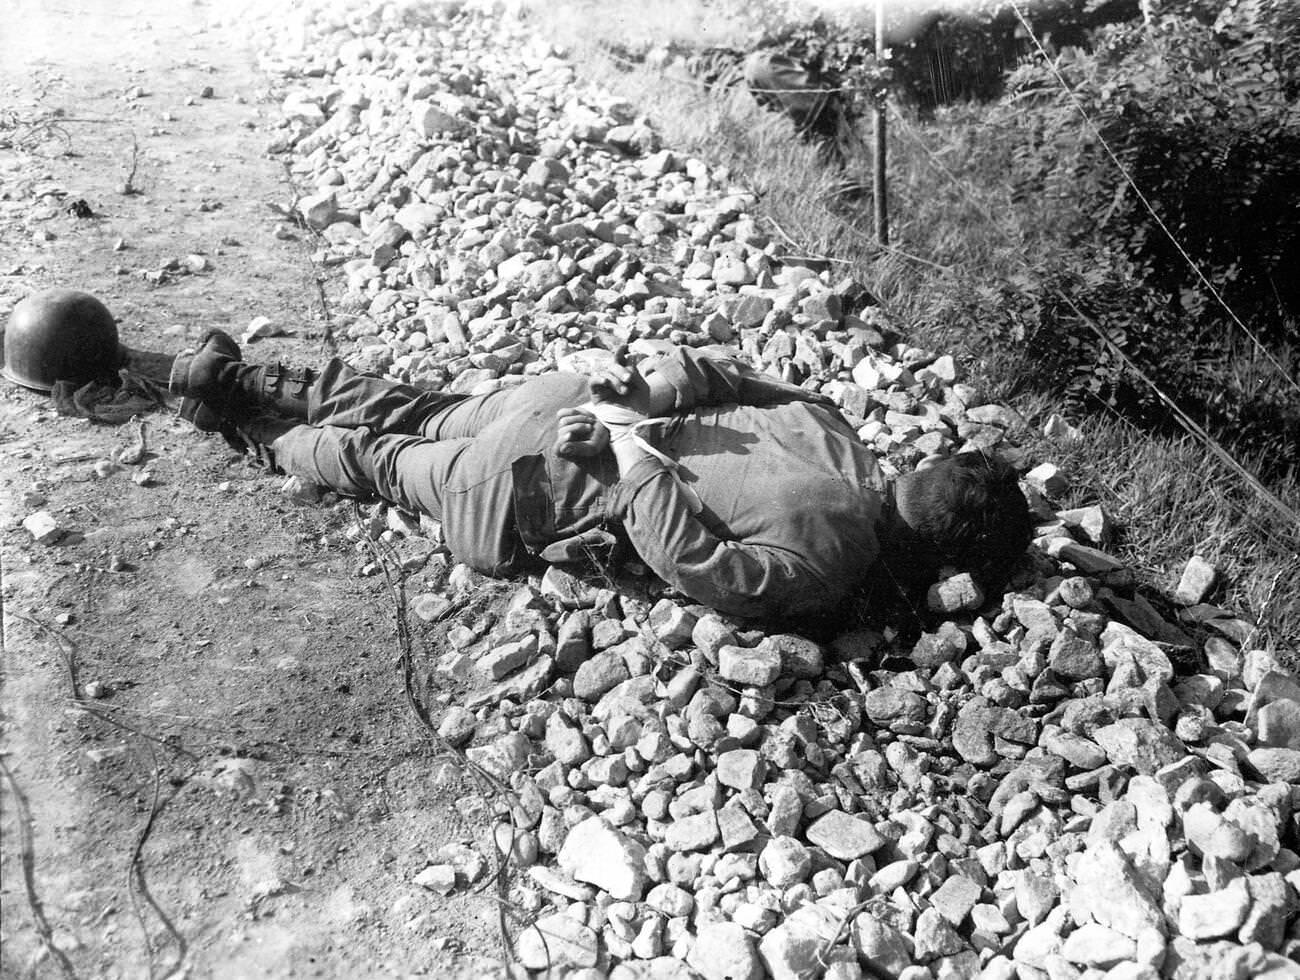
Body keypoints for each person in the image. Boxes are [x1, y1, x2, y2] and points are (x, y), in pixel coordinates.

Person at [170, 331, 1031, 621]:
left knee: (417, 405)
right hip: (540, 477)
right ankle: (244, 425)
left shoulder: (833, 424)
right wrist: (626, 448)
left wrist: (640, 393)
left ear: (922, 468)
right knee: (386, 463)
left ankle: (240, 377)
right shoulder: (836, 562)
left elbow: (708, 367)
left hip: (562, 396)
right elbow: (698, 566)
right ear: (938, 556)